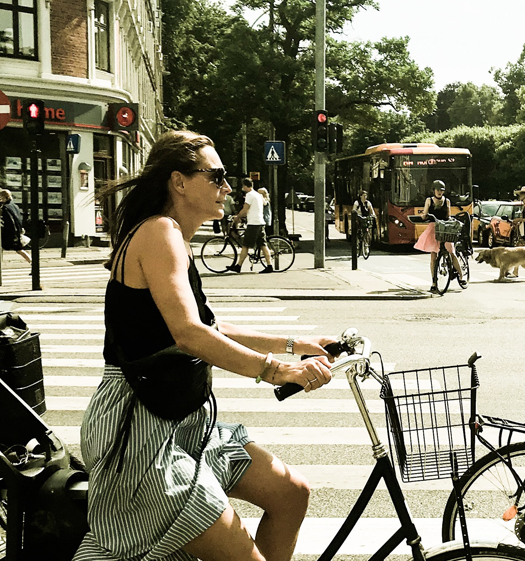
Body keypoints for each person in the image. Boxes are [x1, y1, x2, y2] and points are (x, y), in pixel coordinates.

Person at [74, 130, 337, 561]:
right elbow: (189, 334)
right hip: (142, 429)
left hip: (181, 418)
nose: (228, 187)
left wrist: (298, 344)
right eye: (216, 176)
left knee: (292, 493)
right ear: (179, 182)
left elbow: (212, 326)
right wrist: (276, 370)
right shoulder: (159, 232)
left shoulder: (171, 236)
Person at [414, 180, 466, 293]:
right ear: (434, 190)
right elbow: (425, 213)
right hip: (433, 228)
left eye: (441, 190)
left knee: (451, 251)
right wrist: (423, 215)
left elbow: (448, 215)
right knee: (433, 255)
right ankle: (434, 282)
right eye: (438, 190)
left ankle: (461, 277)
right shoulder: (429, 200)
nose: (439, 192)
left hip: (444, 228)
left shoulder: (447, 201)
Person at [230, 179, 274, 274]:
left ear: (245, 186)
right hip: (260, 222)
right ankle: (269, 265)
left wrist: (237, 217)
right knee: (263, 244)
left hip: (253, 224)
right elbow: (263, 204)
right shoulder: (257, 194)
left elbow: (245, 210)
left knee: (245, 245)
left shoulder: (249, 195)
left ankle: (238, 266)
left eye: (243, 186)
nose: (242, 188)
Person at [0, 189, 32, 264]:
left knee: (17, 249)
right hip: (16, 231)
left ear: (4, 197)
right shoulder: (14, 205)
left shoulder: (6, 207)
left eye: (1, 196)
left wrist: (1, 222)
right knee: (16, 249)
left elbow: (9, 221)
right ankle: (32, 264)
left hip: (10, 233)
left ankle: (32, 264)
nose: (0, 198)